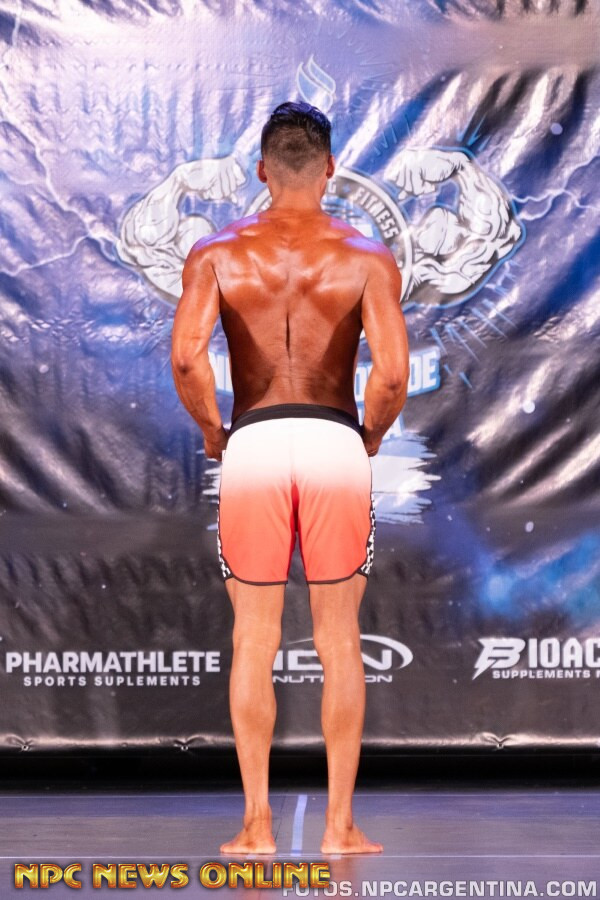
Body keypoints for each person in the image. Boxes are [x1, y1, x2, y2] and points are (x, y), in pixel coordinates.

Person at [171, 101, 409, 855]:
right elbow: (392, 376)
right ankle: (340, 826)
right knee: (340, 639)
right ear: (330, 168)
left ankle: (256, 826)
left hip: (256, 443)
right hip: (336, 441)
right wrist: (370, 435)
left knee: (253, 638)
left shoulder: (217, 252)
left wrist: (215, 432)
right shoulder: (366, 256)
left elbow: (186, 359)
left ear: (261, 171)